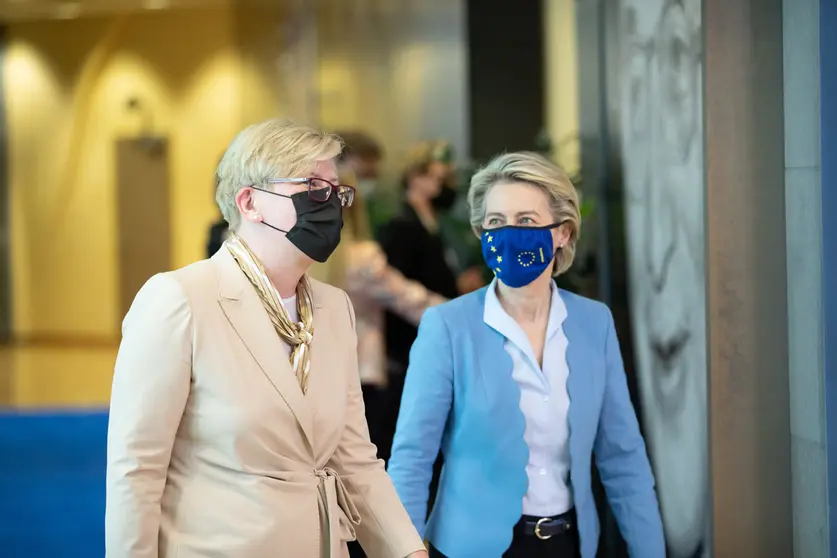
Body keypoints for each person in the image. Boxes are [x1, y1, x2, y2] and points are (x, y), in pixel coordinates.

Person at [105, 119, 427, 558]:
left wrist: (408, 552)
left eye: (336, 190)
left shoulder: (335, 309)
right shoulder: (180, 299)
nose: (331, 203)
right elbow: (136, 471)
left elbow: (352, 459)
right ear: (250, 202)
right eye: (313, 187)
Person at [387, 152, 665, 558]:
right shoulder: (448, 326)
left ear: (563, 233)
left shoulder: (593, 323)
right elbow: (411, 459)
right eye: (495, 222)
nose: (507, 235)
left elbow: (623, 460)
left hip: (569, 545)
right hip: (469, 549)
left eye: (526, 221)